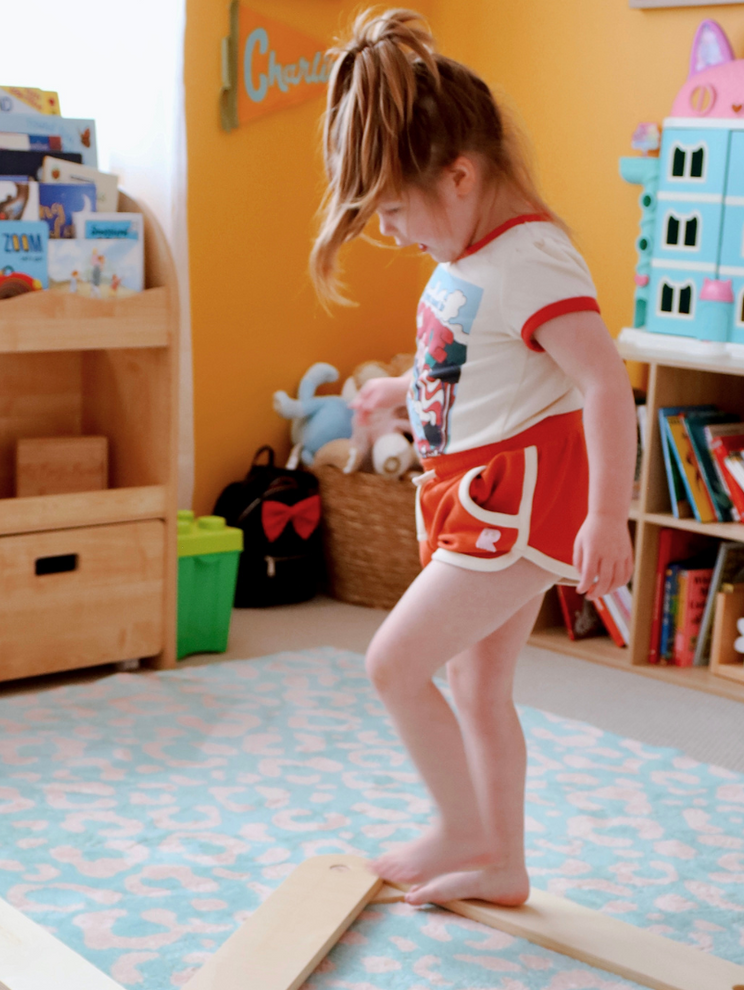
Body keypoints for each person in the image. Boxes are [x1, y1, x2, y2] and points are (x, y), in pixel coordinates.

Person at [311, 9, 638, 908]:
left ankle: (463, 827)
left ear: (460, 175)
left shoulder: (532, 260)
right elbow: (471, 368)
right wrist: (399, 398)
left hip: (520, 511)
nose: (398, 235)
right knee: (474, 682)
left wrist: (607, 516)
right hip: (480, 497)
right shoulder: (470, 254)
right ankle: (501, 863)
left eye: (398, 215)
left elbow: (605, 385)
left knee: (393, 663)